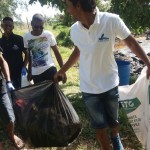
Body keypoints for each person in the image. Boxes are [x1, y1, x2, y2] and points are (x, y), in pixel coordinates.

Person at [54, 0, 150, 150]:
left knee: (114, 122)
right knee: (98, 126)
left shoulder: (111, 20)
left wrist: (148, 63)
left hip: (110, 83)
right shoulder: (74, 29)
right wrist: (62, 70)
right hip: (89, 87)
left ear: (78, 5)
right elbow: (78, 50)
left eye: (68, 5)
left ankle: (115, 137)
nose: (68, 10)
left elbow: (130, 42)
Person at [23, 13, 66, 84]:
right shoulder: (26, 37)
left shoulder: (48, 35)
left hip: (50, 69)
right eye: (36, 27)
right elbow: (30, 55)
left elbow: (56, 52)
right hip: (36, 73)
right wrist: (30, 71)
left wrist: (63, 71)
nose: (39, 29)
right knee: (41, 94)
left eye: (41, 27)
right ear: (31, 23)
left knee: (54, 93)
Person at [0, 46, 24, 149]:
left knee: (10, 118)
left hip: (0, 87)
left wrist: (8, 81)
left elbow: (2, 61)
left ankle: (11, 134)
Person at [0, 17, 29, 88]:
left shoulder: (19, 39)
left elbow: (27, 54)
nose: (8, 27)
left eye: (10, 26)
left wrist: (24, 67)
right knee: (12, 97)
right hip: (7, 76)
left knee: (24, 94)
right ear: (2, 26)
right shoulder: (0, 41)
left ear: (13, 27)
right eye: (6, 25)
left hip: (20, 73)